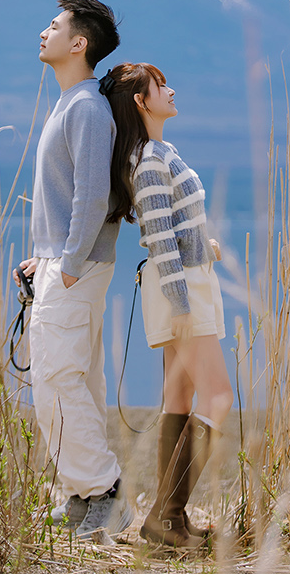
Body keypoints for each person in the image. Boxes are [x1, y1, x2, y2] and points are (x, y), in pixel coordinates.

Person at [101, 62, 231, 549]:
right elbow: (157, 238)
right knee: (218, 398)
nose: (171, 90)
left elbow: (175, 227)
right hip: (182, 291)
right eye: (161, 86)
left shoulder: (159, 152)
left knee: (178, 400)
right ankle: (165, 517)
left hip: (187, 282)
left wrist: (204, 244)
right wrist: (180, 304)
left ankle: (169, 520)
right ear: (142, 101)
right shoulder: (151, 159)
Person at [15, 0, 126, 542]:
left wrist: (71, 265)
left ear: (78, 43)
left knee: (56, 380)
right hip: (60, 264)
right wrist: (45, 257)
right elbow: (66, 201)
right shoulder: (71, 103)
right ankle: (84, 497)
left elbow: (91, 195)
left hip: (74, 269)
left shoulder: (84, 107)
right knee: (74, 380)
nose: (44, 31)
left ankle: (105, 489)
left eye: (53, 25)